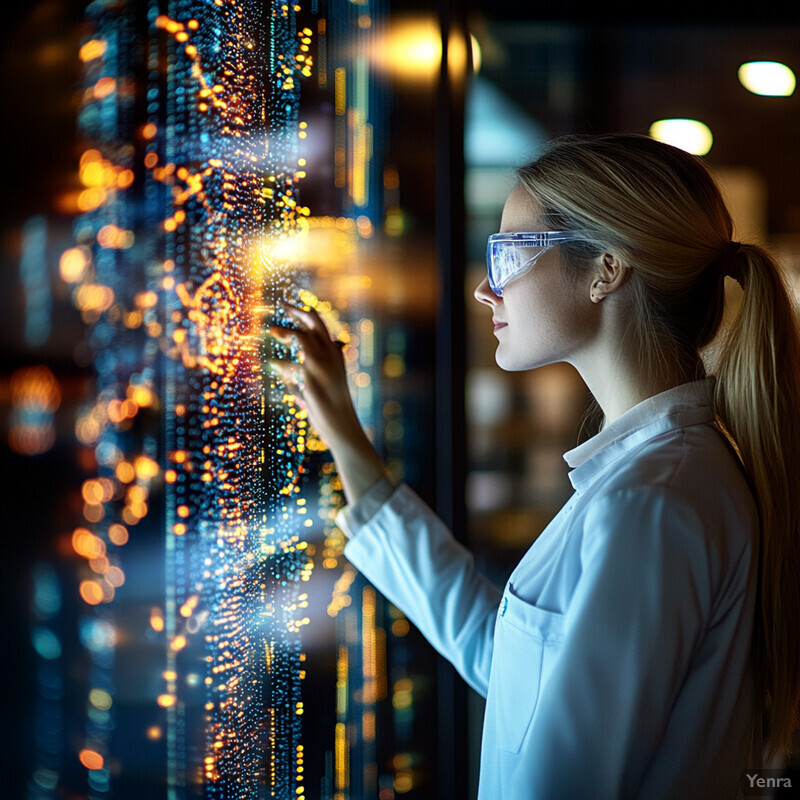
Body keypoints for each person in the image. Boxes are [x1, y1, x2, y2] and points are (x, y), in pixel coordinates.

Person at [269, 133, 800, 799]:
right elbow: (515, 666)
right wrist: (344, 436)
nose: (486, 290)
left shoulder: (653, 499)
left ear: (606, 269)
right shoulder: (660, 478)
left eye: (509, 253)